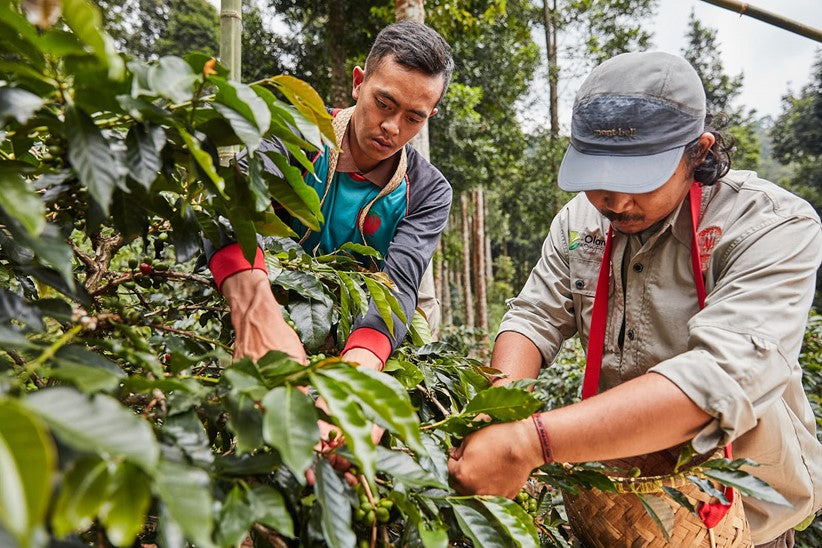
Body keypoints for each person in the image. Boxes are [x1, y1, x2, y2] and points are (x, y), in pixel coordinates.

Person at [447, 51, 822, 547]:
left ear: (698, 151)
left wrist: (528, 443)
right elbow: (534, 317)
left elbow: (717, 379)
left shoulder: (771, 225)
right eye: (600, 180)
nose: (617, 202)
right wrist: (497, 414)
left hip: (733, 523)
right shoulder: (578, 225)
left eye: (639, 181)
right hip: (615, 511)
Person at [207, 20, 454, 373]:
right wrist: (255, 312)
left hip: (356, 328)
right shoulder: (296, 136)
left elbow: (399, 285)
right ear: (359, 83)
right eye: (384, 103)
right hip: (264, 297)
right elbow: (228, 207)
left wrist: (357, 372)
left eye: (414, 118)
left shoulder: (429, 190)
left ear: (430, 115)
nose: (393, 127)